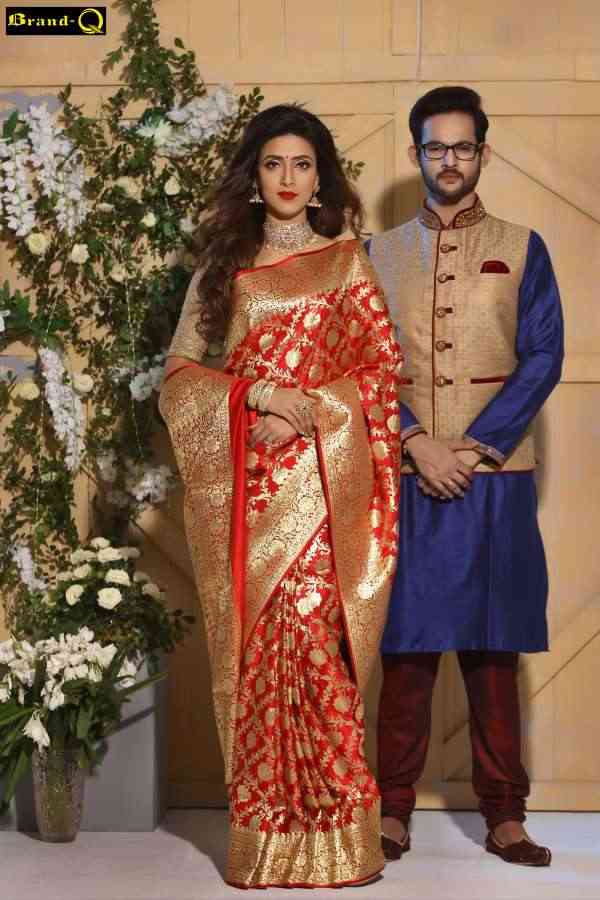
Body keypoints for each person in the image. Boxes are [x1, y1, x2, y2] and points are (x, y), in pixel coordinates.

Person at [159, 104, 402, 889]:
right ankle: (265, 837)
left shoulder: (345, 263)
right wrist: (257, 395)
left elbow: (380, 375)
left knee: (314, 647)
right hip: (249, 492)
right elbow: (179, 377)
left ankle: (338, 838)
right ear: (254, 177)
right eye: (274, 164)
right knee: (261, 654)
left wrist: (311, 408)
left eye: (303, 164)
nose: (289, 178)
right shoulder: (223, 268)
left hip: (323, 491)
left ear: (320, 177)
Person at [366, 86, 563, 867]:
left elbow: (543, 356)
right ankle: (390, 810)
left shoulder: (523, 246)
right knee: (405, 653)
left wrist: (475, 450)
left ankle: (505, 815)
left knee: (493, 652)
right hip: (406, 473)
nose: (449, 160)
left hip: (497, 477)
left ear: (483, 152)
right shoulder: (376, 254)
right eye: (435, 147)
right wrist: (416, 442)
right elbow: (361, 367)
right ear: (416, 153)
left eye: (462, 146)